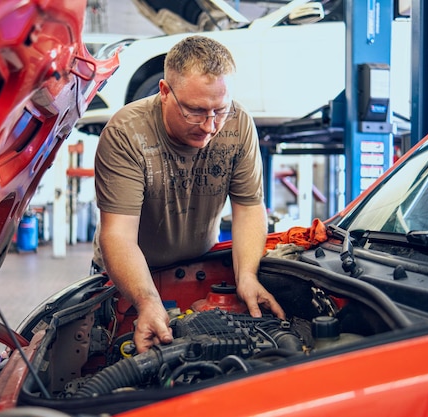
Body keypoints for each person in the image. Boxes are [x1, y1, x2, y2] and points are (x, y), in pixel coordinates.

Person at [92, 35, 285, 353]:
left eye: (219, 111)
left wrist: (247, 275)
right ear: (165, 92)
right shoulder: (125, 133)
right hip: (128, 279)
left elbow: (249, 208)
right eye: (195, 111)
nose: (210, 126)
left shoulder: (239, 125)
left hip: (200, 270)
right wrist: (147, 300)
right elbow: (119, 235)